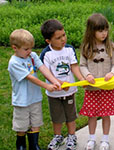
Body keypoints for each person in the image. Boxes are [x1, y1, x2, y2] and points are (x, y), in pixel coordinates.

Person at [8, 29, 61, 150]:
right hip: (22, 100)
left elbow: (42, 68)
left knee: (36, 122)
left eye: (31, 48)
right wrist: (46, 86)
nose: (29, 51)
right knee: (22, 125)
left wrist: (54, 81)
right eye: (26, 49)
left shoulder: (32, 56)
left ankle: (34, 145)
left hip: (35, 98)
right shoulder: (14, 62)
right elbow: (30, 78)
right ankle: (21, 144)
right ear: (15, 48)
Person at [79, 13, 114, 150]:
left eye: (105, 30)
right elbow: (82, 65)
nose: (104, 33)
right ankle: (91, 139)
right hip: (92, 89)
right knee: (92, 115)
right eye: (100, 30)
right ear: (91, 31)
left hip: (107, 88)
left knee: (106, 115)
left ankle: (105, 139)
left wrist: (112, 73)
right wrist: (87, 76)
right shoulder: (86, 47)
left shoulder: (111, 46)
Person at [40, 19, 85, 150]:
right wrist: (60, 83)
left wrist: (81, 79)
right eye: (58, 38)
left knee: (70, 115)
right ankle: (58, 137)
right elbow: (46, 73)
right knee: (57, 117)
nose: (63, 39)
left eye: (64, 35)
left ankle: (72, 136)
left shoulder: (69, 49)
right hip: (54, 93)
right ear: (48, 41)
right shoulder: (46, 54)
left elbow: (74, 66)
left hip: (69, 91)